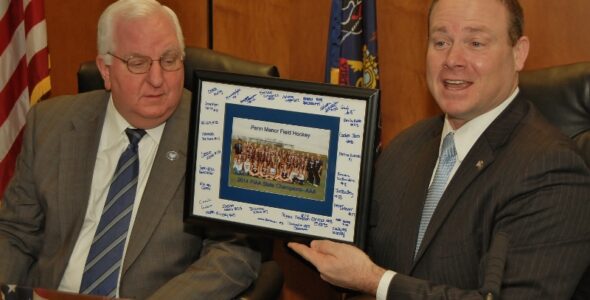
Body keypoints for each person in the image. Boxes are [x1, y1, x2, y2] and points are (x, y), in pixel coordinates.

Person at [289, 0, 590, 299]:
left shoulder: (552, 169)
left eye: (475, 42)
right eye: (441, 41)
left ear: (518, 52)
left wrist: (376, 282)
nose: (453, 59)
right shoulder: (407, 145)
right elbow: (358, 254)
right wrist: (291, 201)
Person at [0, 0, 260, 299]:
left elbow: (234, 254)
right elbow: (15, 233)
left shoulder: (219, 135)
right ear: (105, 70)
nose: (157, 79)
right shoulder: (50, 124)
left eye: (169, 59)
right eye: (138, 63)